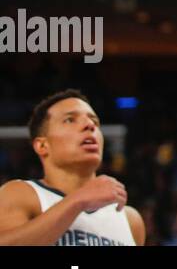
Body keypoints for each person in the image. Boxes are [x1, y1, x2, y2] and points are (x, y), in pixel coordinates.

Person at [0, 90, 144, 246]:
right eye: (70, 120)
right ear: (42, 145)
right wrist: (78, 200)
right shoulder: (20, 194)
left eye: (94, 122)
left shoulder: (130, 220)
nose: (89, 125)